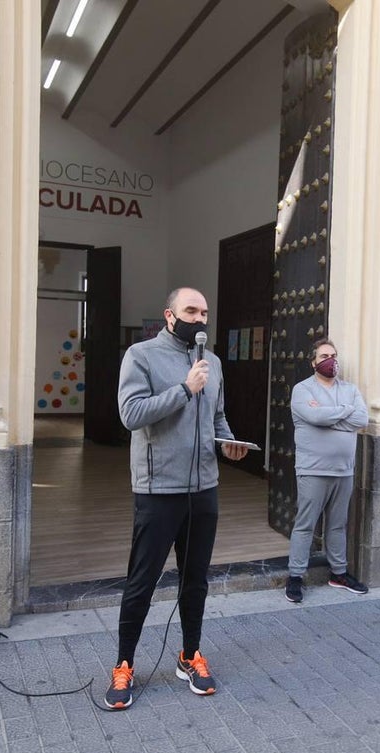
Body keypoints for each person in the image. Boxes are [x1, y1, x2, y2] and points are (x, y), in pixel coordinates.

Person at [104, 287, 249, 710]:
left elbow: (217, 417)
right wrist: (184, 389)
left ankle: (190, 654)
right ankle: (124, 664)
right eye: (191, 310)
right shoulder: (141, 356)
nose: (200, 319)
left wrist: (228, 443)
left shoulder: (213, 363)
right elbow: (131, 415)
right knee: (142, 581)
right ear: (170, 315)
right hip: (158, 489)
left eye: (204, 312)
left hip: (204, 488)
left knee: (195, 579)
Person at [286, 338, 370, 603]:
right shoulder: (302, 390)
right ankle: (295, 576)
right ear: (313, 362)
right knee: (305, 525)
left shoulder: (350, 389)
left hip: (344, 471)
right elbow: (315, 417)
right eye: (324, 356)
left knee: (337, 525)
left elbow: (362, 419)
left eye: (333, 355)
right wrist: (344, 413)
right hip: (313, 469)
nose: (330, 360)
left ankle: (339, 573)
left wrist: (330, 417)